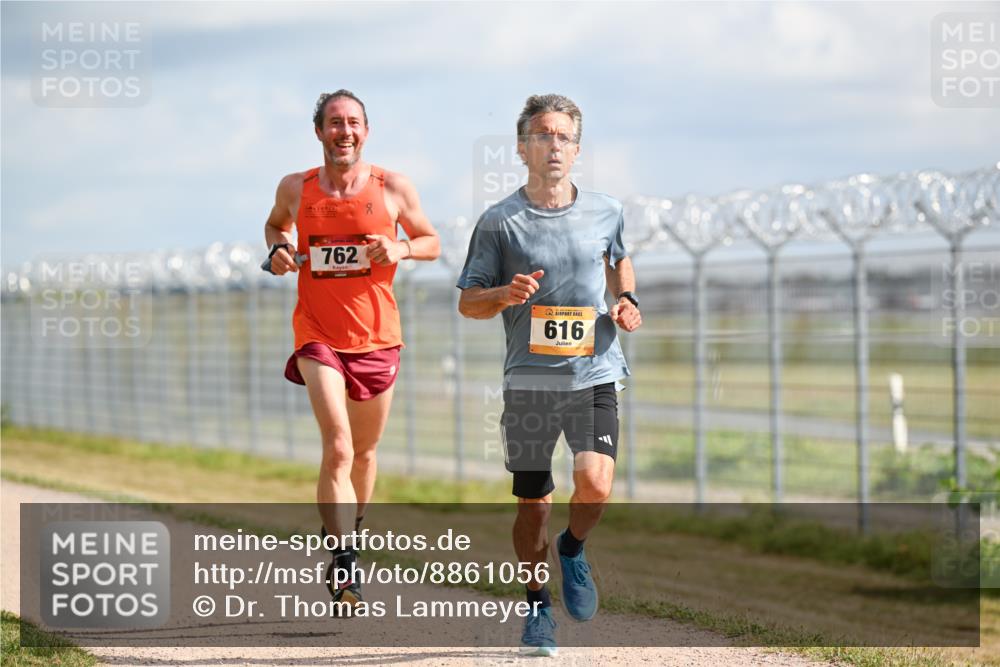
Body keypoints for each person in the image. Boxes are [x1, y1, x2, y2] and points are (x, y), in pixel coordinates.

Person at [457, 93, 641, 656]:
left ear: (576, 149)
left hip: (594, 371)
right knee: (532, 504)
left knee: (596, 484)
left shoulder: (606, 210)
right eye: (543, 134)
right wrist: (502, 293)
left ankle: (573, 547)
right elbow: (468, 303)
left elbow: (617, 259)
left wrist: (627, 298)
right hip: (531, 382)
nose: (553, 144)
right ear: (522, 147)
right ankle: (537, 606)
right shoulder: (498, 222)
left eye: (563, 136)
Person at [264, 89, 440, 610]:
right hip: (317, 334)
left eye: (354, 123)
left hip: (378, 337)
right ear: (318, 131)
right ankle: (343, 563)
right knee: (338, 446)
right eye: (335, 122)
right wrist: (276, 249)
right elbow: (277, 224)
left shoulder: (393, 187)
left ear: (366, 131)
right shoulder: (296, 187)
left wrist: (402, 246)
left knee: (363, 453)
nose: (345, 131)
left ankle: (351, 535)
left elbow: (431, 241)